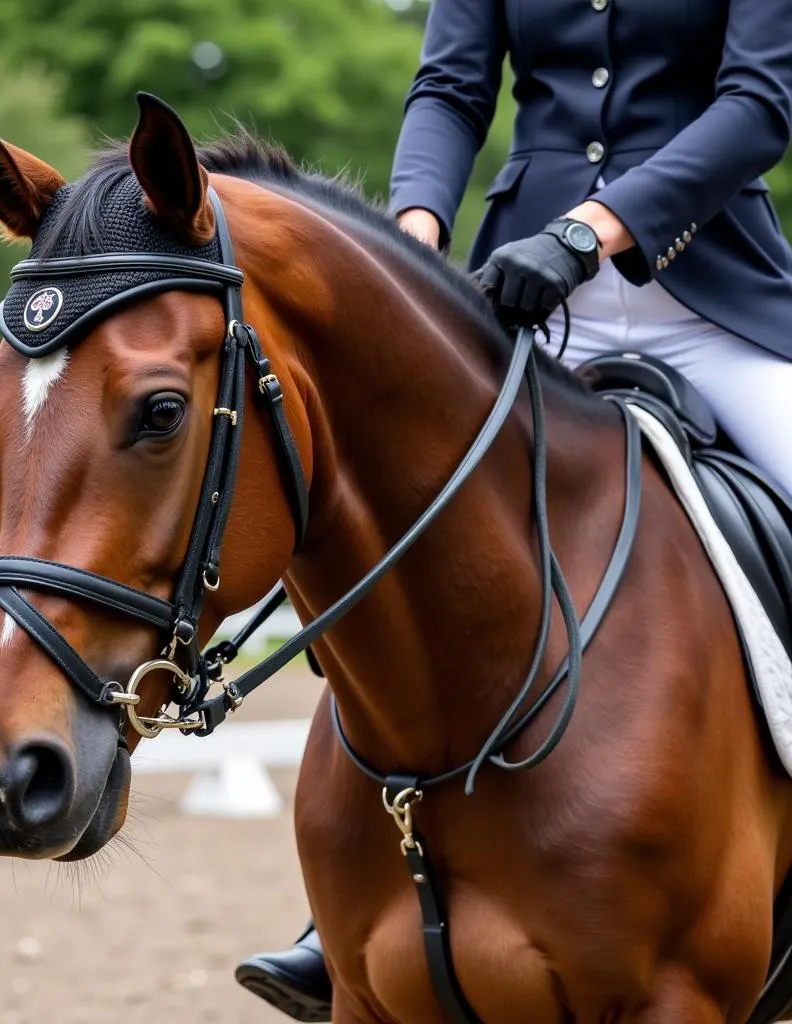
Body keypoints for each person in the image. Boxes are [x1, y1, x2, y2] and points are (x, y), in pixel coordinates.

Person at [235, 0, 792, 1017]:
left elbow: (758, 102)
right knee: (394, 546)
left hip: (714, 298)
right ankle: (353, 900)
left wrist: (592, 229)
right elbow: (449, 89)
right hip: (517, 298)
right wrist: (410, 238)